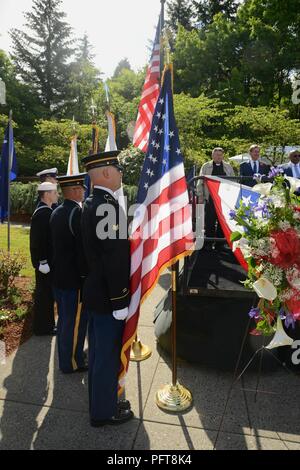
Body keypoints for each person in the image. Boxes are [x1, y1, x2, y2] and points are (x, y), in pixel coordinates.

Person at [81, 150, 133, 427]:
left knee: (101, 354)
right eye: (117, 168)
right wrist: (119, 299)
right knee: (104, 357)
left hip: (96, 292)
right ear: (105, 173)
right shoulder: (107, 207)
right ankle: (103, 412)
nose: (120, 173)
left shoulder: (93, 202)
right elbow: (113, 257)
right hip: (107, 297)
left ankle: (102, 403)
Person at [50, 174, 88, 374]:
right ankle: (72, 362)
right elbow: (82, 251)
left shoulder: (57, 212)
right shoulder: (77, 213)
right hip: (74, 280)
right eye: (81, 188)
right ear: (74, 190)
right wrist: (85, 277)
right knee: (73, 323)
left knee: (65, 320)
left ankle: (67, 357)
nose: (84, 190)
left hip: (60, 277)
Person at [30, 182, 58, 336]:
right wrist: (42, 261)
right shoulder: (43, 213)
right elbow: (38, 241)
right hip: (44, 264)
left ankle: (46, 326)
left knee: (46, 295)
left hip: (46, 262)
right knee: (44, 295)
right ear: (46, 194)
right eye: (54, 192)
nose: (57, 195)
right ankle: (42, 328)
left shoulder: (46, 210)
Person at [197, 147, 234, 250]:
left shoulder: (228, 167)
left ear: (223, 156)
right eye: (216, 154)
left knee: (222, 220)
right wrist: (200, 195)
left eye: (220, 155)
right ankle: (209, 242)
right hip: (210, 198)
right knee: (209, 220)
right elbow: (200, 181)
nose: (218, 156)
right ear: (212, 156)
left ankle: (220, 243)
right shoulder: (206, 166)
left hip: (224, 199)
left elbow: (234, 181)